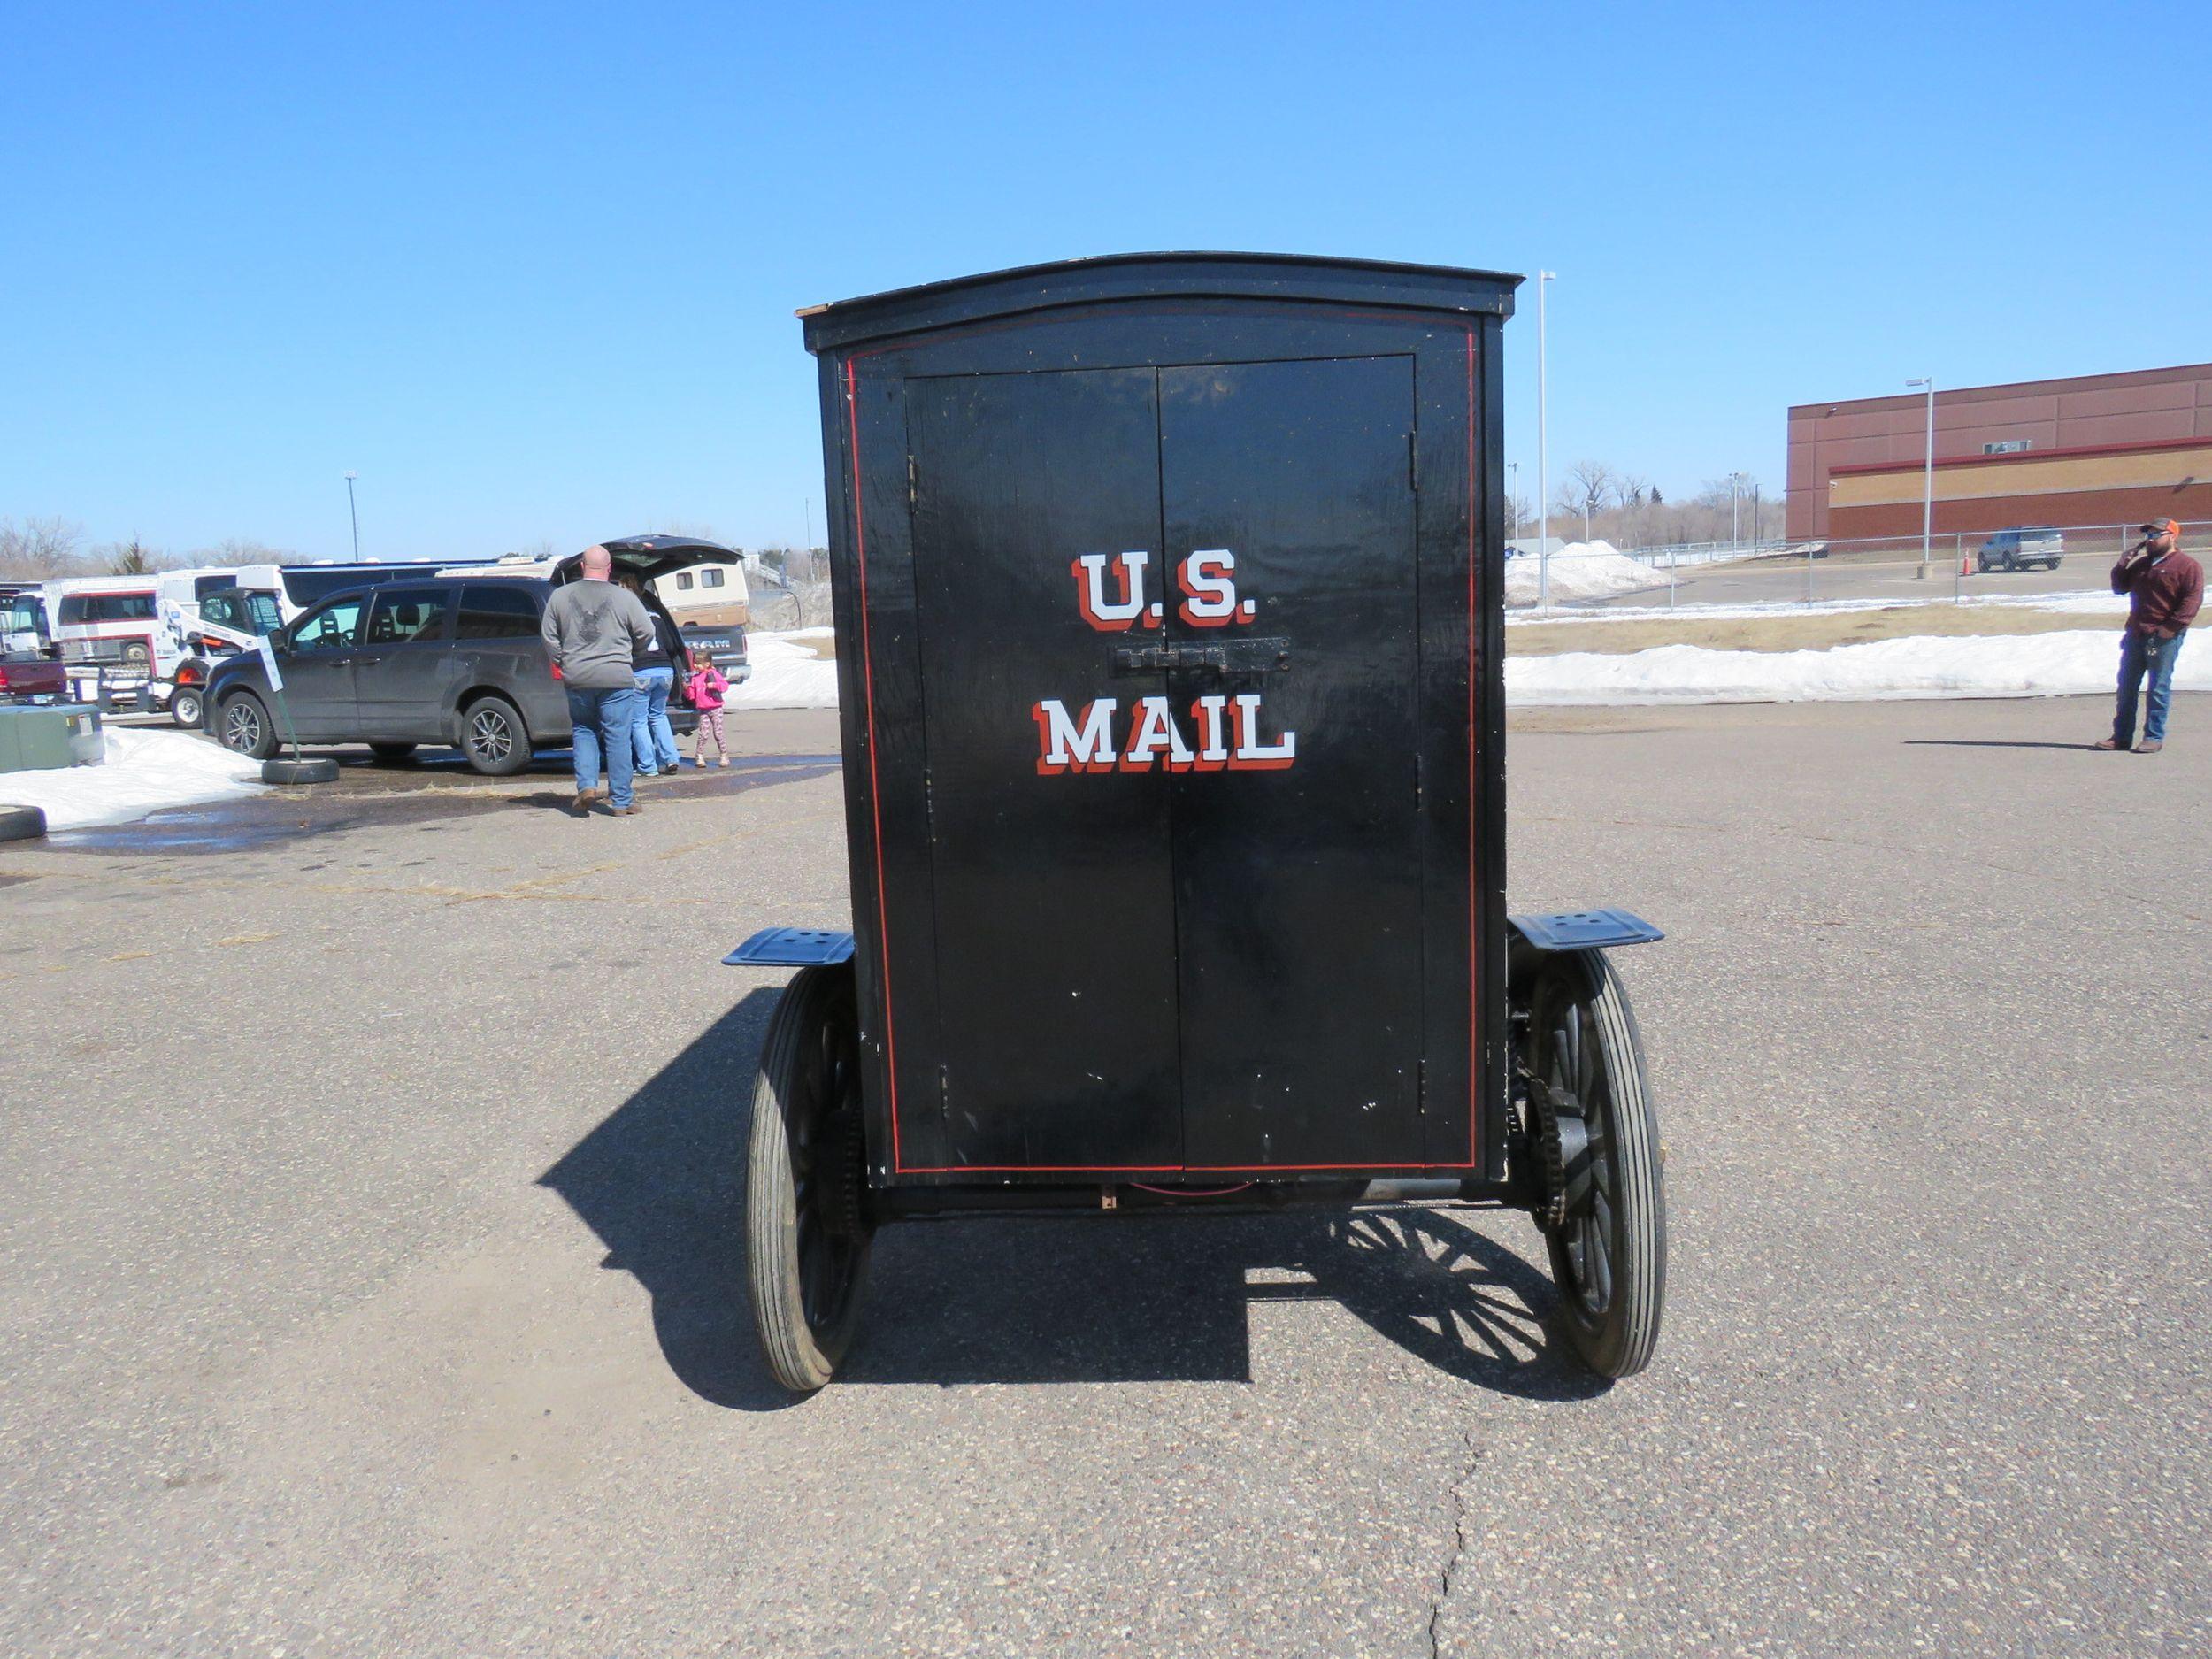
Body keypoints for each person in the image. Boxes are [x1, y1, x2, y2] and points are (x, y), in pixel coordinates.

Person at [541, 545, 655, 815]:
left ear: (582, 566)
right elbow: (646, 631)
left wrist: (565, 660)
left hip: (578, 676)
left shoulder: (560, 596)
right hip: (616, 676)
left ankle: (587, 786)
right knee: (618, 737)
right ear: (609, 568)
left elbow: (548, 637)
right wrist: (631, 654)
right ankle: (622, 801)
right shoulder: (624, 598)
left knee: (584, 729)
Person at [2094, 518, 2201, 755]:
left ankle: (2153, 737)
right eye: (2148, 536)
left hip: (2165, 637)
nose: (2150, 540)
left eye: (2156, 535)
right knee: (2126, 687)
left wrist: (2171, 628)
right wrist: (2123, 563)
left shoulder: (2187, 566)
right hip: (2136, 634)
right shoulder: (2142, 565)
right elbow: (2120, 588)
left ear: (2172, 536)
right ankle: (2121, 737)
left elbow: (2191, 601)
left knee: (2158, 688)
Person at [618, 572, 689, 778]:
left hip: (642, 670)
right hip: (665, 670)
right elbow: (670, 644)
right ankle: (671, 758)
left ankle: (648, 766)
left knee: (639, 720)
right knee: (658, 716)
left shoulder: (627, 614)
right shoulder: (655, 613)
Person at [688, 655, 732, 767]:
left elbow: (725, 686)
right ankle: (699, 756)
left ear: (707, 664)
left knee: (718, 732)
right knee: (703, 734)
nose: (695, 666)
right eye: (695, 663)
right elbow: (692, 696)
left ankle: (724, 755)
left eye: (698, 663)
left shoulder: (713, 674)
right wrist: (687, 689)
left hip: (716, 708)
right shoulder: (695, 678)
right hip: (703, 710)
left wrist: (715, 685)